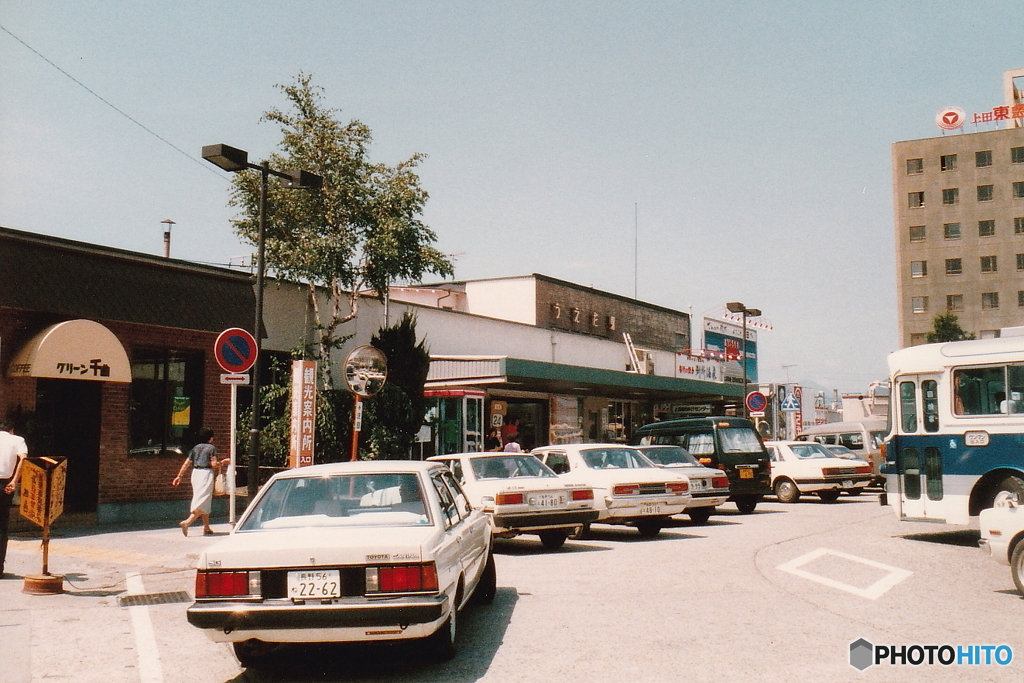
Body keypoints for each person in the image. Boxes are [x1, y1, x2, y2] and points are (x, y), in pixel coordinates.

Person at [172, 427, 221, 536]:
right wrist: (223, 462)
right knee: (203, 500)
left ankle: (206, 527)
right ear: (210, 438)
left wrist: (179, 476)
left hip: (195, 474)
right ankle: (187, 522)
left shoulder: (195, 448)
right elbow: (214, 464)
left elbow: (186, 463)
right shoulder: (211, 448)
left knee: (203, 499)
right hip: (206, 474)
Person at [0, 420, 28, 576]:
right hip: (5, 483)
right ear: (12, 430)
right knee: (2, 526)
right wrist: (14, 481)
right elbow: (23, 459)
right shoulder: (17, 440)